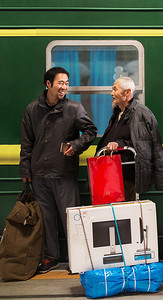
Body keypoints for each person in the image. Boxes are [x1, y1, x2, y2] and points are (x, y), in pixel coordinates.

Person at [19, 67, 97, 273]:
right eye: (60, 83)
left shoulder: (74, 108)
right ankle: (51, 257)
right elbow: (26, 142)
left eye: (66, 83)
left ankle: (77, 259)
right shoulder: (32, 109)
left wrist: (76, 146)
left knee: (70, 219)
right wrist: (25, 169)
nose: (64, 87)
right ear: (48, 84)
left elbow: (90, 131)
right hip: (39, 173)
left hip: (64, 173)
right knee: (46, 220)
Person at [97, 77, 163, 201]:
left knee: (126, 213)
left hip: (129, 174)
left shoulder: (141, 113)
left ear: (127, 92)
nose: (111, 93)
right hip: (113, 172)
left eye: (115, 89)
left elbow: (144, 145)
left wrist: (118, 143)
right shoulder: (117, 113)